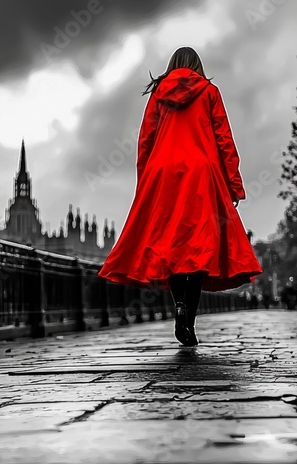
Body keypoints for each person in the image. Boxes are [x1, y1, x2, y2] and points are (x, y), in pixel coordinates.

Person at [98, 47, 262, 346]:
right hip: (201, 172)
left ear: (172, 65)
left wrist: (144, 185)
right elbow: (224, 138)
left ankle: (179, 304)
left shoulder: (159, 93)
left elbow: (145, 140)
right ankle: (189, 317)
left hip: (163, 173)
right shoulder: (209, 92)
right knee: (199, 248)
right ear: (197, 65)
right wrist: (234, 184)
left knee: (169, 245)